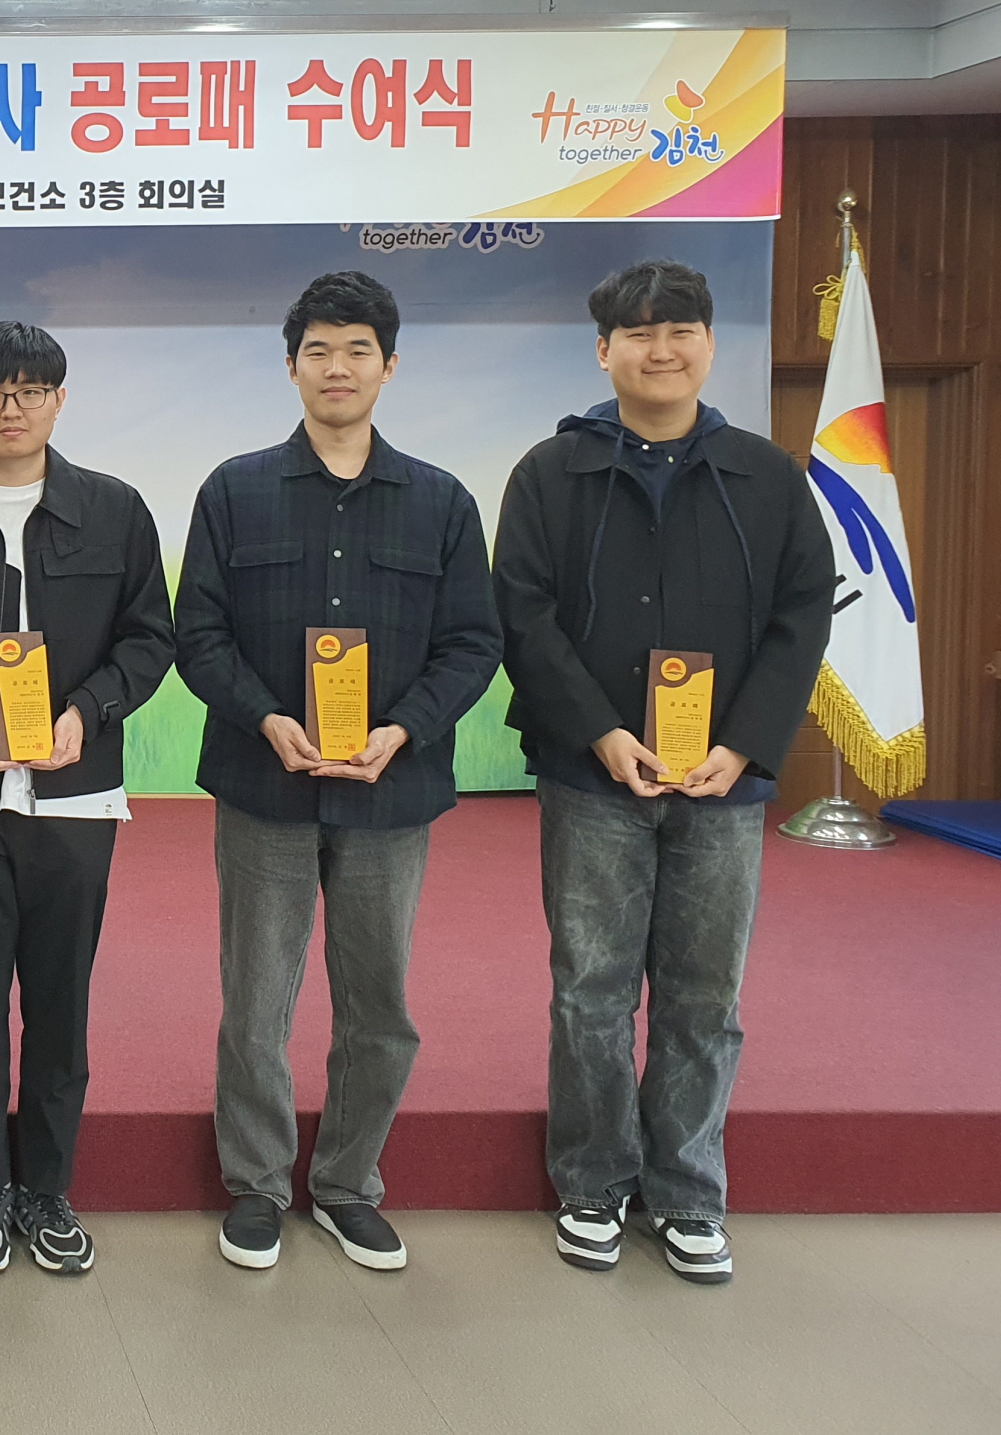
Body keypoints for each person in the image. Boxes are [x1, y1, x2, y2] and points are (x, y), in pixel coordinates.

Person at [494, 260, 832, 1284]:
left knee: (702, 996)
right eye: (637, 334)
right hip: (590, 776)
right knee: (589, 989)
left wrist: (745, 744)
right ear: (603, 352)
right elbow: (524, 615)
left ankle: (687, 1192)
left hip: (724, 784)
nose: (660, 349)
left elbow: (801, 615)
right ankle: (593, 1182)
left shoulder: (765, 476)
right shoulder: (550, 473)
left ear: (708, 345)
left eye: (679, 330)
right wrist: (600, 732)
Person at [175, 271, 502, 1275]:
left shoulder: (440, 502)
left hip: (388, 793)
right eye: (317, 350)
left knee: (377, 1004)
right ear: (290, 366)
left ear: (388, 366)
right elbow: (199, 634)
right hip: (264, 783)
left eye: (357, 349)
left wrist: (402, 730)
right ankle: (257, 1185)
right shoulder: (234, 491)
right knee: (256, 999)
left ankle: (349, 1185)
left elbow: (472, 642)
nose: (336, 367)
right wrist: (265, 718)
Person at [0, 321, 172, 1277]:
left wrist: (89, 712)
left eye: (29, 390)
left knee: (59, 1005)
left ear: (59, 398)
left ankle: (49, 1189)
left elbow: (149, 638)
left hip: (76, 801)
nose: (10, 410)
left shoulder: (116, 510)